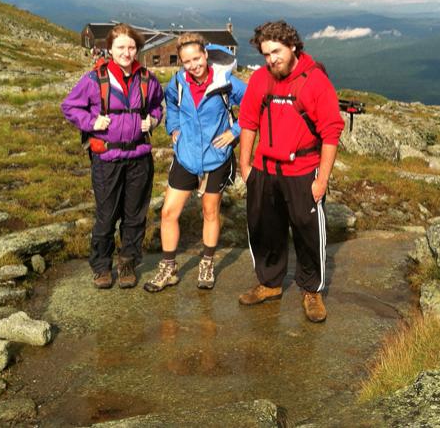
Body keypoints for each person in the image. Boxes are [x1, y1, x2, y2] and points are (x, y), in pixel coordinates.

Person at [237, 20, 345, 323]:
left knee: (307, 232)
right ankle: (269, 283)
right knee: (263, 228)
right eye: (266, 54)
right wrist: (246, 166)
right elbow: (248, 121)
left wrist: (321, 180)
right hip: (264, 170)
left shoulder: (315, 81)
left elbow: (331, 132)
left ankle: (311, 290)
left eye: (276, 51)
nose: (271, 59)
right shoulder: (260, 79)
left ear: (293, 45)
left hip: (303, 171)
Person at [61, 23, 164, 289]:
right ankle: (102, 267)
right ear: (110, 48)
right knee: (106, 215)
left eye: (131, 47)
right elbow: (69, 106)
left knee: (134, 215)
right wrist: (92, 122)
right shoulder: (95, 79)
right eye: (121, 47)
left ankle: (128, 264)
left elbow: (156, 107)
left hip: (139, 157)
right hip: (106, 158)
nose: (126, 53)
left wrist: (152, 122)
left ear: (137, 49)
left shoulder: (147, 79)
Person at [144, 33, 246, 292]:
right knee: (168, 212)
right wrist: (174, 128)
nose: (193, 65)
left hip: (215, 158)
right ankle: (169, 268)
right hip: (186, 156)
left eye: (197, 58)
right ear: (181, 61)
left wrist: (234, 132)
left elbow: (252, 105)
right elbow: (173, 106)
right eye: (187, 61)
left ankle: (207, 263)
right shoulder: (179, 82)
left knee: (210, 212)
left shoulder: (226, 82)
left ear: (206, 55)